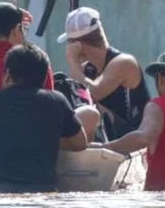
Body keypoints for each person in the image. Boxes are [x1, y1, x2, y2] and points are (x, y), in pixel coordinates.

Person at [0, 44, 89, 193]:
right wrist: (42, 139)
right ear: (43, 77)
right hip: (44, 194)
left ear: (8, 75)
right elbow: (80, 143)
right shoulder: (56, 101)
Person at [0, 2, 99, 139]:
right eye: (23, 28)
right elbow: (48, 105)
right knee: (89, 114)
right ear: (16, 31)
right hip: (32, 140)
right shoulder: (37, 60)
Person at [102, 50, 165, 191]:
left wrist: (106, 147)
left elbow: (144, 137)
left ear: (160, 79)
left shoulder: (157, 105)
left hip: (161, 197)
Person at [60, 7, 150, 140]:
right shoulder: (86, 70)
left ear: (77, 44)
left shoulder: (124, 62)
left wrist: (73, 61)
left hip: (133, 141)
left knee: (93, 109)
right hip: (108, 140)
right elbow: (76, 97)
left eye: (70, 43)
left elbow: (94, 92)